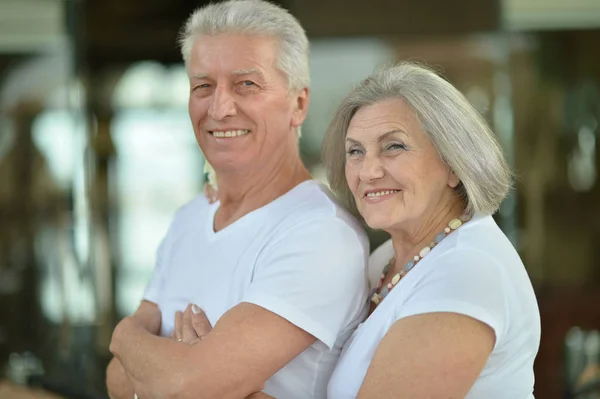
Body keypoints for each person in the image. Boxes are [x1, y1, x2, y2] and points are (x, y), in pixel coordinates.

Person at [105, 1, 370, 399]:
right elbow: (116, 381)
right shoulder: (189, 219)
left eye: (247, 84)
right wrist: (184, 371)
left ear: (298, 104)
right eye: (203, 86)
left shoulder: (319, 234)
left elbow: (186, 386)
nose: (220, 108)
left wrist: (127, 337)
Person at [319, 62, 541, 398]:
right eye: (355, 151)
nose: (368, 171)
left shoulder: (466, 270)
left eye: (394, 146)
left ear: (454, 164)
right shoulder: (386, 259)